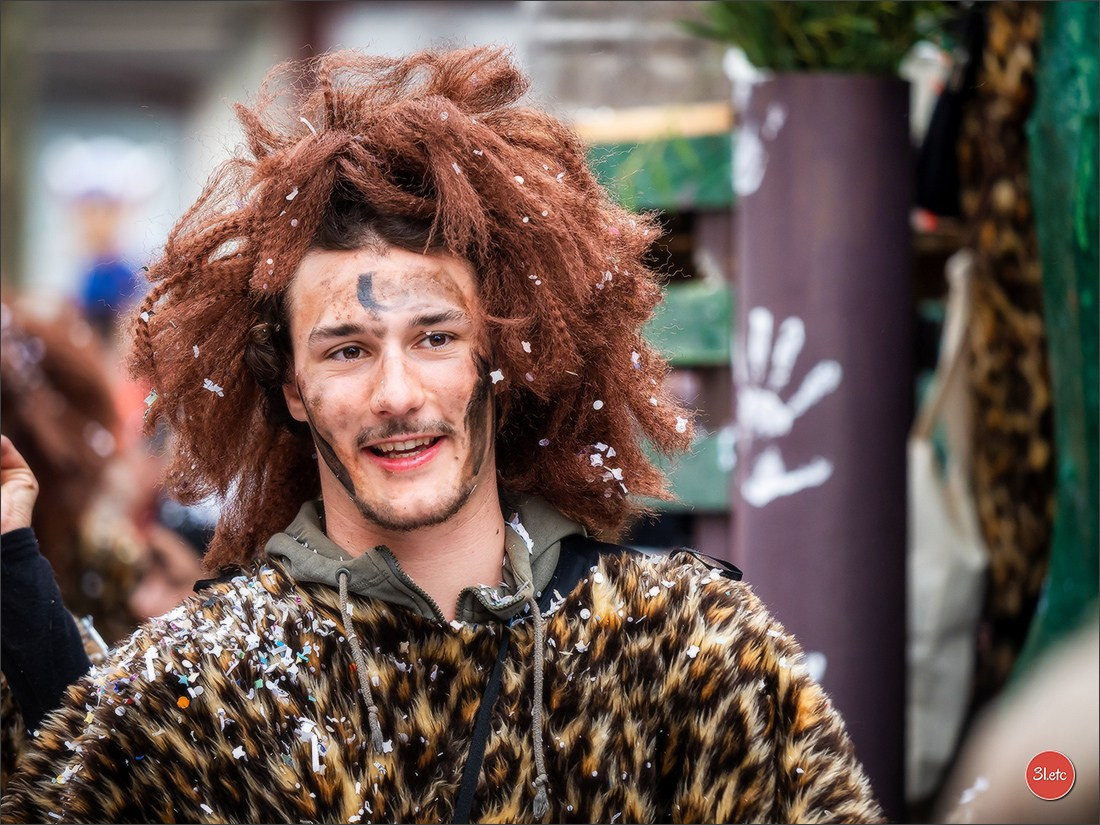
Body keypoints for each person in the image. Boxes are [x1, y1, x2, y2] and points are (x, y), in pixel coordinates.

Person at [1, 47, 883, 824]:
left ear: (499, 352)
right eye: (346, 349)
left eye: (434, 337)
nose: (396, 393)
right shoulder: (200, 693)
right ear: (294, 389)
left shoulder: (691, 653)